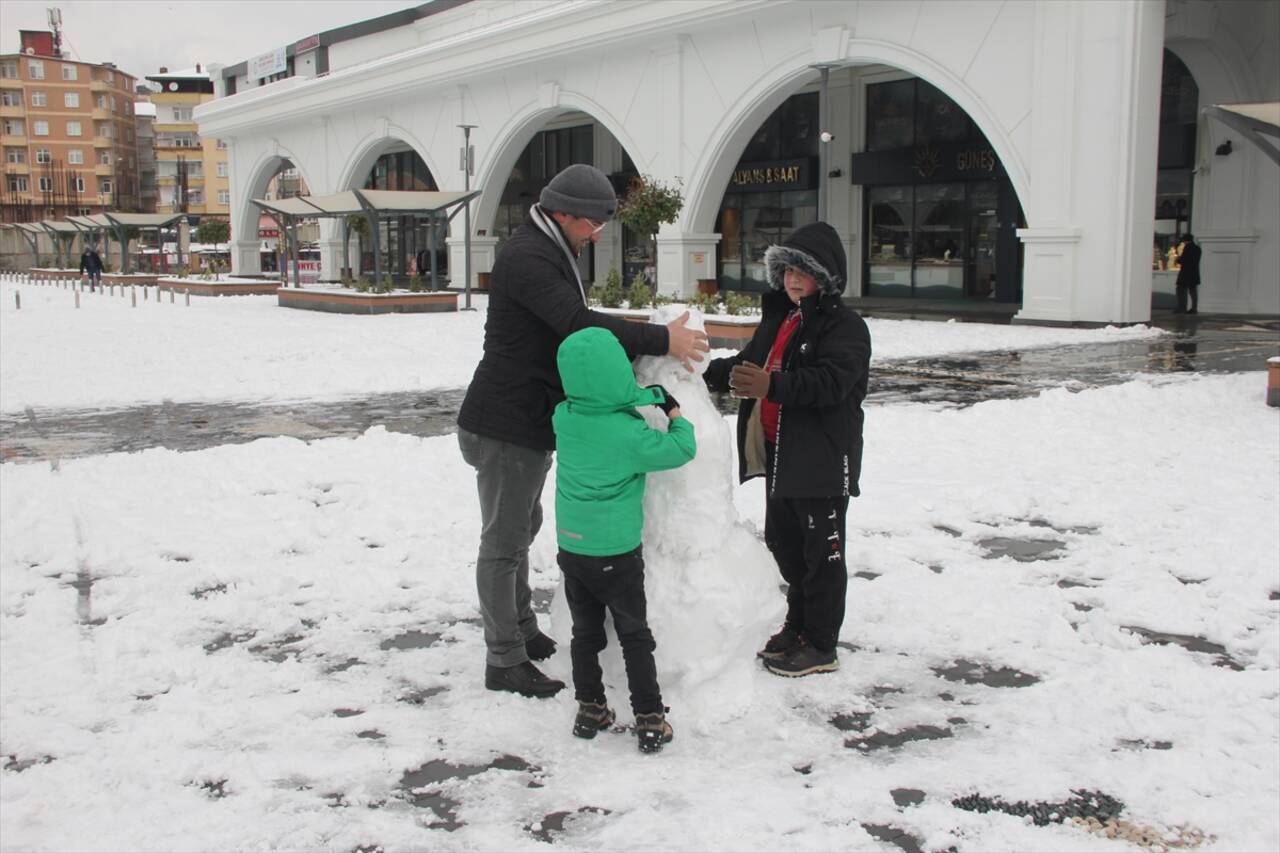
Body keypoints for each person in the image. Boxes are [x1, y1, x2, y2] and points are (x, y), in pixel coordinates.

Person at [456, 163, 709, 699]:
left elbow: (576, 318)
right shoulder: (528, 257)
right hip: (505, 423)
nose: (598, 234)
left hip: (525, 419)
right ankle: (504, 660)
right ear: (565, 213)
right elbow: (577, 324)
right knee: (503, 543)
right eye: (594, 223)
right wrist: (661, 339)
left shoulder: (548, 247)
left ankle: (521, 628)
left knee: (522, 528)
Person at [703, 221, 871, 678]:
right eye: (788, 269)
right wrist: (704, 371)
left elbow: (832, 382)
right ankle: (797, 625)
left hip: (820, 457)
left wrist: (772, 384)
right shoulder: (783, 318)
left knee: (823, 553)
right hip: (779, 450)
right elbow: (750, 365)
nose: (794, 279)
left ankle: (820, 643)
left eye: (804, 270)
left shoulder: (846, 327)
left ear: (826, 276)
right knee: (786, 544)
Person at [552, 326, 695, 752]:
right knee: (634, 635)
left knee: (585, 634)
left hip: (573, 547)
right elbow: (681, 449)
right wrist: (673, 412)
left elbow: (600, 399)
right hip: (616, 553)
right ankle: (650, 717)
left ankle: (589, 708)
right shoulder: (629, 436)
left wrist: (638, 397)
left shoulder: (565, 416)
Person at [1174, 233, 1202, 315]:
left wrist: (1178, 259)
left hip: (1185, 273)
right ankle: (1194, 308)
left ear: (1186, 240)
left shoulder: (1187, 248)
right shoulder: (1197, 248)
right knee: (1193, 291)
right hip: (1194, 273)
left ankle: (1181, 308)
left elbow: (1184, 260)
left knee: (1181, 290)